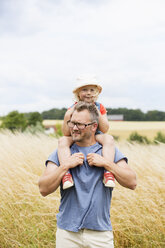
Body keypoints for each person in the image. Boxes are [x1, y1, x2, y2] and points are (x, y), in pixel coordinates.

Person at [38, 101, 137, 248]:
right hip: (67, 233)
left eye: (80, 125)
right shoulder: (62, 152)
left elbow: (132, 182)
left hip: (100, 233)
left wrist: (106, 163)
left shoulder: (108, 151)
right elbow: (43, 189)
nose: (74, 128)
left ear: (94, 126)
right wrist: (65, 165)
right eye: (72, 123)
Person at [58, 76, 116, 189]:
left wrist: (96, 111)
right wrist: (67, 116)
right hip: (78, 135)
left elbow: (105, 129)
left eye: (92, 90)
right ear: (78, 93)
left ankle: (108, 172)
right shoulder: (73, 108)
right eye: (84, 90)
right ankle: (66, 175)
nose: (89, 93)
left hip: (96, 135)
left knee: (109, 138)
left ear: (96, 93)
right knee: (62, 140)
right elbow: (66, 132)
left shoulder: (100, 107)